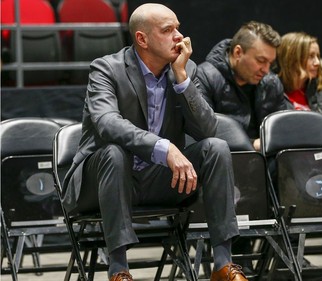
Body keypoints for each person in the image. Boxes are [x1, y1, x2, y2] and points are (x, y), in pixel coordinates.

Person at [61, 3, 248, 281]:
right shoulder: (106, 69)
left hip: (158, 181)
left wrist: (183, 79)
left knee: (216, 148)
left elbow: (208, 129)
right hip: (102, 182)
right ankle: (118, 270)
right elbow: (106, 122)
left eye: (178, 28)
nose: (179, 37)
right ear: (142, 39)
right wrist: (163, 147)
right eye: (168, 30)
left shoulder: (186, 70)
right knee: (114, 152)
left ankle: (222, 265)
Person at [197, 21, 287, 152]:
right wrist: (252, 144)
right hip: (227, 160)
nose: (266, 70)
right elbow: (202, 134)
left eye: (270, 63)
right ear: (238, 52)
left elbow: (282, 130)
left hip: (268, 158)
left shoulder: (271, 82)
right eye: (261, 61)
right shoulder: (204, 77)